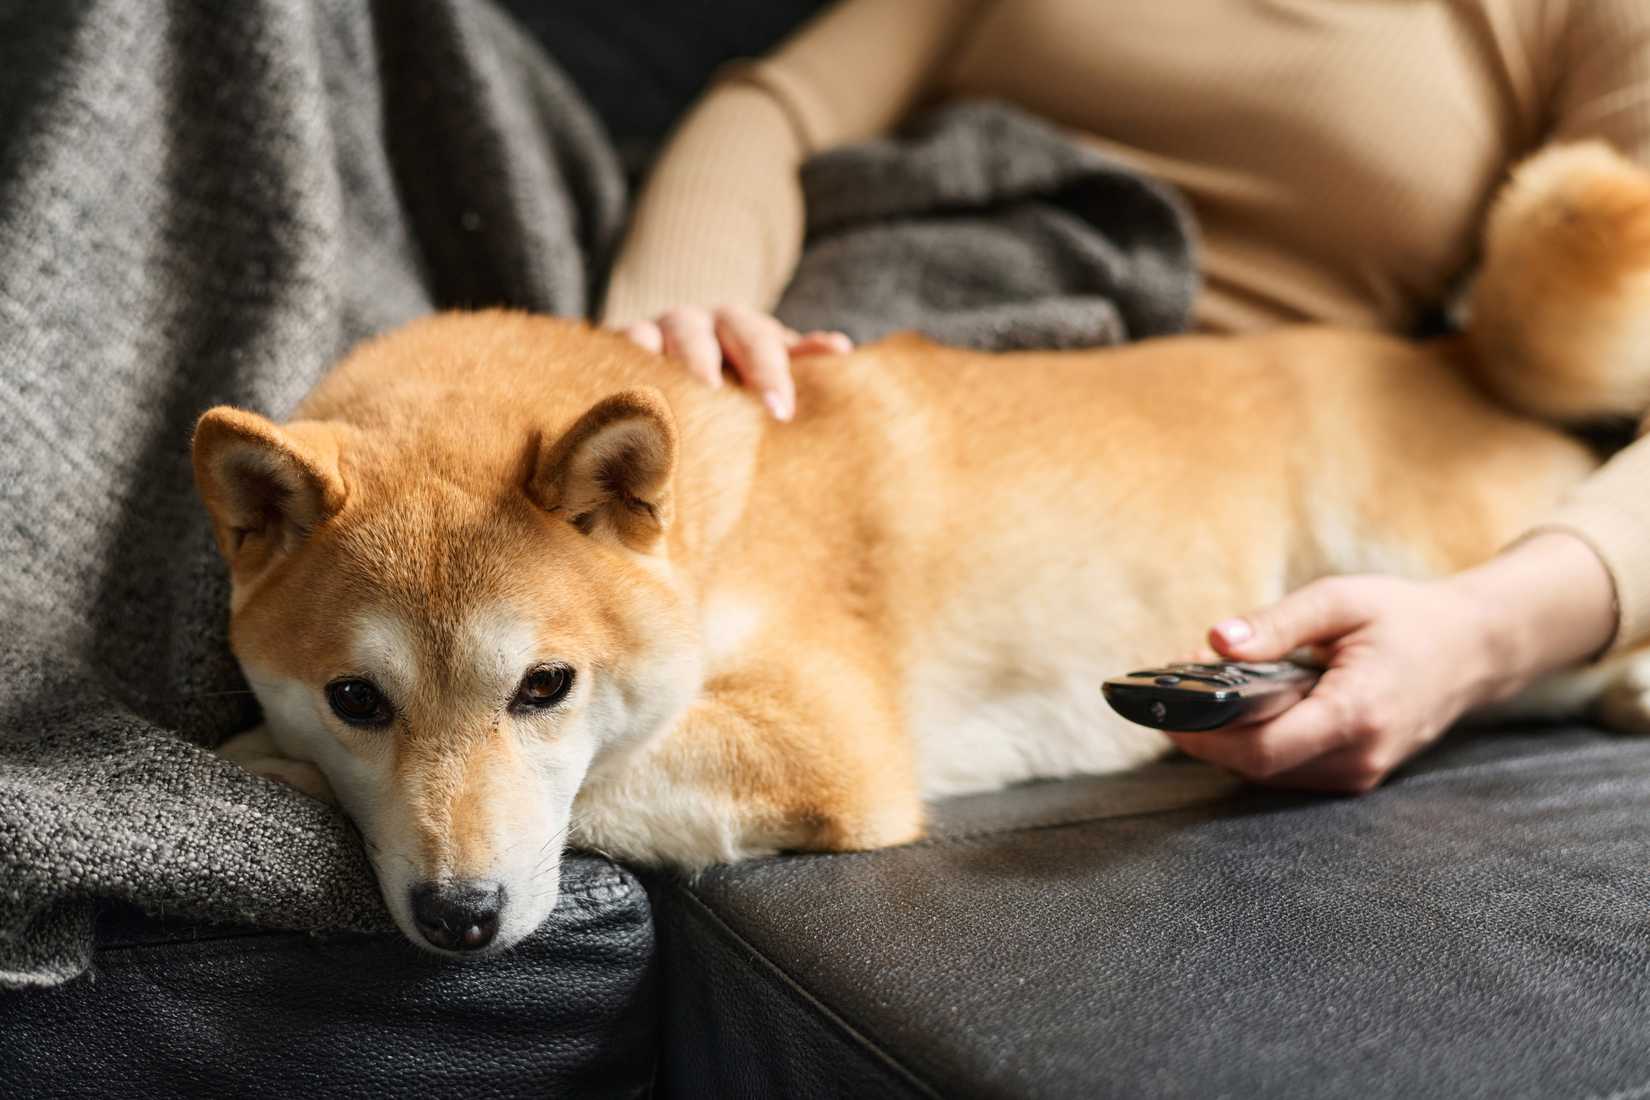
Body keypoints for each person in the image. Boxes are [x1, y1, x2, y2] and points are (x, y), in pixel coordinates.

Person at [598, 0, 1650, 793]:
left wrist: (1482, 635)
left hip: (1206, 430)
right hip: (860, 352)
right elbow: (774, 108)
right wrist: (670, 320)